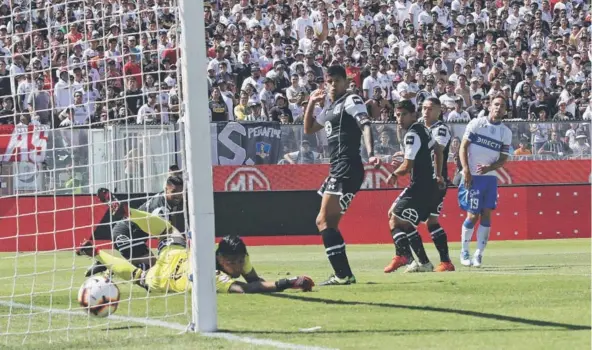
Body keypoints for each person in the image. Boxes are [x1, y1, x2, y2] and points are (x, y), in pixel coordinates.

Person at [77, 197, 314, 294]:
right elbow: (246, 288)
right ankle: (127, 213)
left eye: (241, 261)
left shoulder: (239, 257)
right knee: (144, 271)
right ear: (220, 259)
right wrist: (287, 283)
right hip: (164, 274)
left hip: (176, 257)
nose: (239, 265)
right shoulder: (212, 277)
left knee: (167, 235)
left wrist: (291, 281)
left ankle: (95, 252)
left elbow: (253, 279)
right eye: (233, 263)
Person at [303, 65, 380, 285]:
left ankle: (342, 274)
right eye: (329, 82)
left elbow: (365, 124)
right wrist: (310, 103)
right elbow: (308, 129)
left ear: (346, 82)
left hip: (347, 167)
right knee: (330, 224)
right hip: (338, 168)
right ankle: (344, 274)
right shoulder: (329, 109)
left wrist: (371, 153)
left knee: (322, 220)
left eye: (337, 81)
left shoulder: (351, 100)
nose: (333, 85)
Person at [78, 177, 185, 276]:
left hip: (131, 234)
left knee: (151, 267)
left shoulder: (164, 198)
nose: (178, 195)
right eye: (174, 192)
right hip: (126, 235)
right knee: (153, 271)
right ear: (166, 189)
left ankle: (106, 263)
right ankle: (107, 263)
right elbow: (162, 234)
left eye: (180, 192)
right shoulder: (161, 209)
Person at [383, 100, 443, 274]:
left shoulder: (412, 134)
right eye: (397, 115)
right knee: (404, 222)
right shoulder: (423, 129)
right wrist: (438, 174)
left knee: (394, 219)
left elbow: (407, 165)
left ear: (413, 115)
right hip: (427, 186)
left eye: (403, 115)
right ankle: (424, 262)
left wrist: (394, 174)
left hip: (420, 187)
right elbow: (438, 150)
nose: (399, 119)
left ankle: (407, 259)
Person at [458, 95, 512, 268]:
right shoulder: (476, 123)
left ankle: (479, 254)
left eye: (502, 106)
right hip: (473, 176)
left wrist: (490, 168)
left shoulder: (506, 132)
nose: (498, 108)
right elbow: (463, 147)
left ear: (505, 110)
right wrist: (466, 170)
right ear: (489, 106)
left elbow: (503, 158)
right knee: (473, 215)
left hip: (490, 178)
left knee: (487, 214)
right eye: (496, 104)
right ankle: (464, 250)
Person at [418, 97, 455, 272]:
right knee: (430, 221)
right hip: (421, 179)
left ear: (439, 111)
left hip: (435, 181)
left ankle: (416, 260)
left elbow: (437, 150)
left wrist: (437, 175)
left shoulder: (440, 129)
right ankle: (445, 261)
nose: (426, 111)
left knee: (402, 218)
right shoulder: (419, 126)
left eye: (430, 108)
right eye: (424, 108)